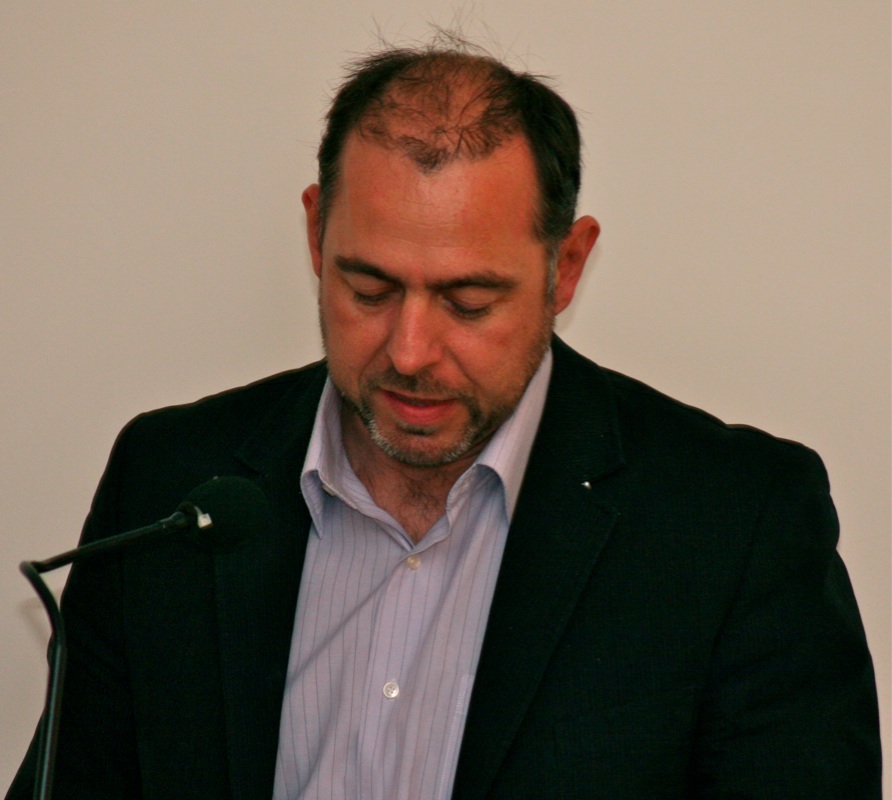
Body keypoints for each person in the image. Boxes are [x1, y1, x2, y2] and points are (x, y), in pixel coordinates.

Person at [8, 40, 880, 800]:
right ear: (315, 237)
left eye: (468, 301)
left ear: (566, 267)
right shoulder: (168, 483)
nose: (411, 350)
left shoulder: (737, 521)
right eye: (369, 288)